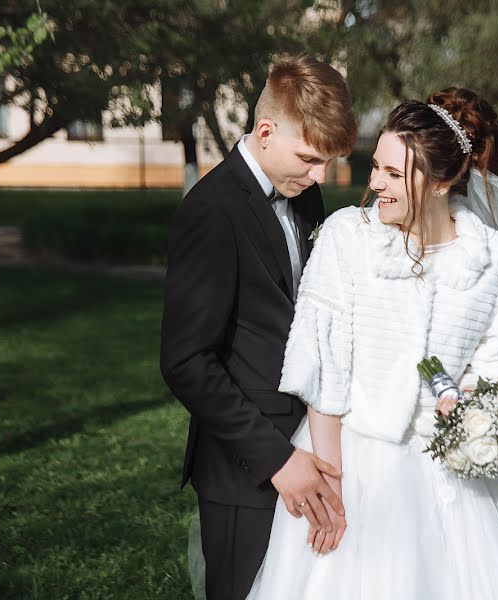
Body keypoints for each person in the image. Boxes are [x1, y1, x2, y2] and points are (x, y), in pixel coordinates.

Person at [246, 89, 498, 599]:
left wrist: (470, 416)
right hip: (352, 460)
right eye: (376, 166)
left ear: (442, 182)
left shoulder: (495, 261)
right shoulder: (346, 238)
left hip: (449, 478)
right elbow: (324, 372)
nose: (375, 184)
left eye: (394, 175)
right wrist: (333, 490)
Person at [159, 55, 358, 600]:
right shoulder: (210, 211)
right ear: (265, 131)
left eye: (327, 163)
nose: (320, 176)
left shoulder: (304, 192)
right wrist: (278, 460)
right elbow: (185, 362)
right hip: (244, 469)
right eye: (310, 158)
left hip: (313, 443)